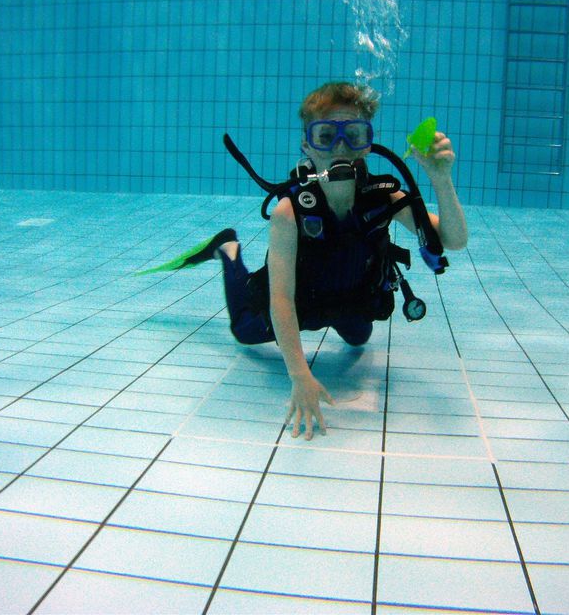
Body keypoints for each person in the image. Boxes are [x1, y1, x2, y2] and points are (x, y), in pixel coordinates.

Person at [176, 82, 468, 439]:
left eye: (353, 135)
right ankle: (228, 251)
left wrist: (441, 180)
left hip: (350, 299)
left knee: (359, 338)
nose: (340, 147)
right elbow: (281, 299)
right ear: (307, 145)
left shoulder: (384, 198)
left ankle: (339, 316)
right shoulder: (290, 213)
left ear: (367, 143)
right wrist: (299, 374)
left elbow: (453, 240)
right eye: (326, 136)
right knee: (243, 331)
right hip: (302, 305)